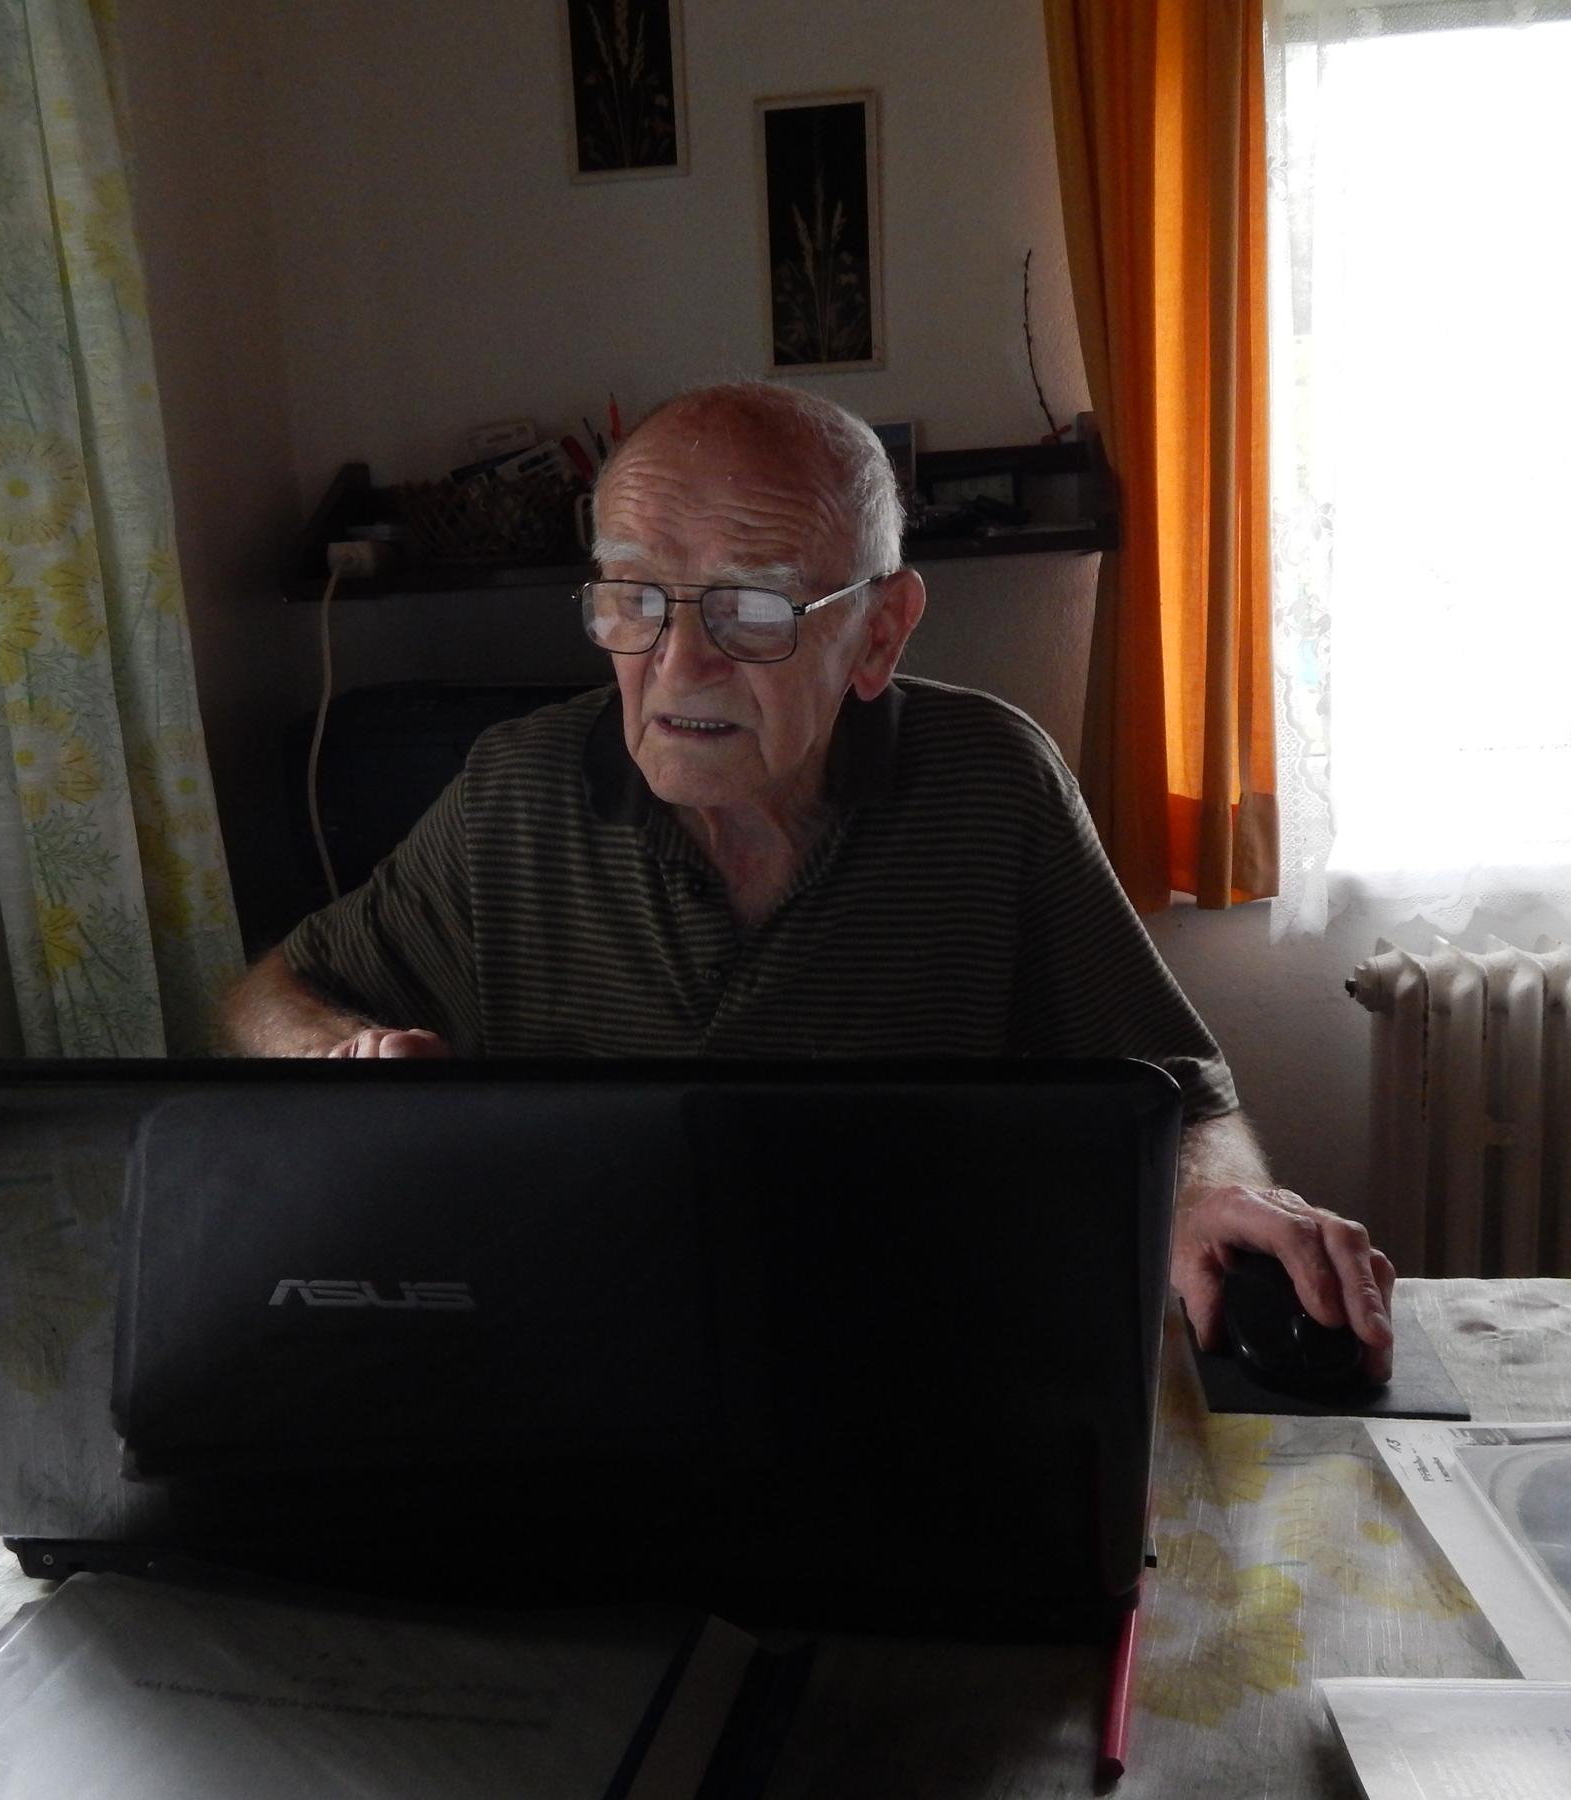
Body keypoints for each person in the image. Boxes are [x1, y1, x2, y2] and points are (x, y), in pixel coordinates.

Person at [223, 381, 1396, 1375]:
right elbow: (270, 991)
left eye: (754, 607)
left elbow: (1177, 1094)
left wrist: (1207, 1195)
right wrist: (333, 1058)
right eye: (634, 597)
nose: (680, 663)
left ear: (879, 634)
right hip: (589, 1363)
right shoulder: (514, 794)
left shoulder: (992, 785)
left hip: (908, 1365)